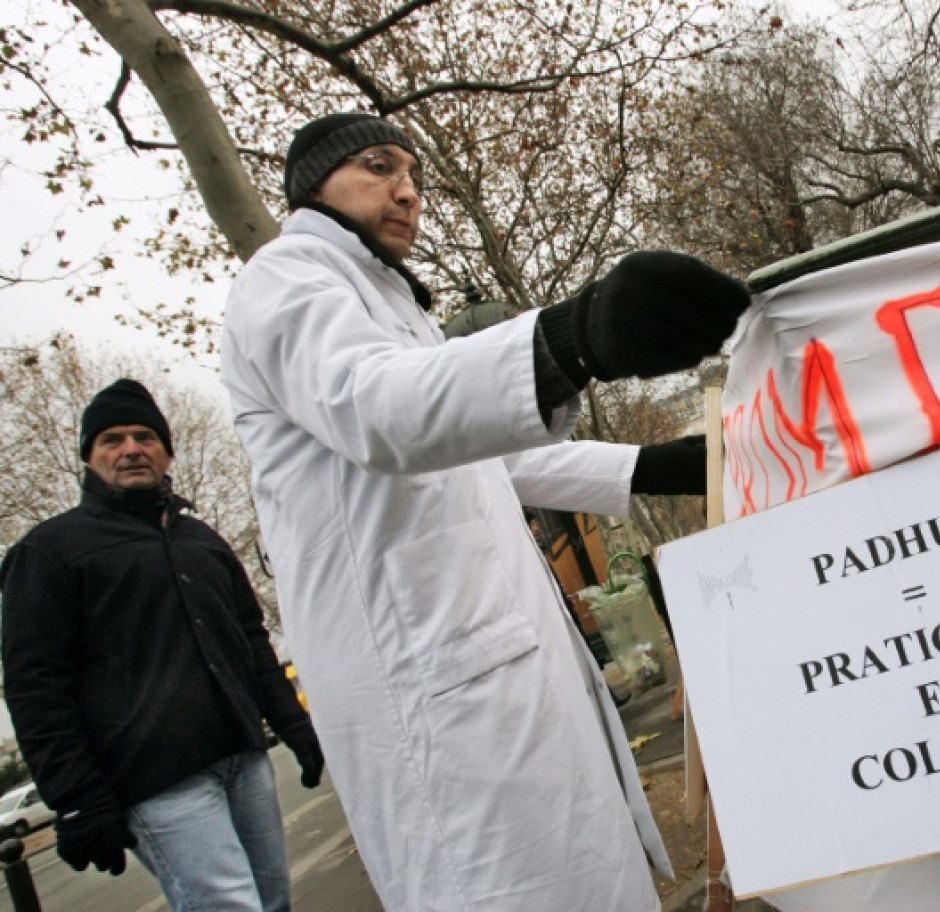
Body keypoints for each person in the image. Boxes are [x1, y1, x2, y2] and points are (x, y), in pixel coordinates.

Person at [219, 111, 747, 911]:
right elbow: (376, 407)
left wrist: (658, 466)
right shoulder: (284, 280)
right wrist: (574, 339)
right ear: (312, 186)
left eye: (415, 176)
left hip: (499, 672)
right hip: (436, 697)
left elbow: (494, 454)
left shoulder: (394, 306)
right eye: (378, 165)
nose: (406, 191)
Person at [0, 379, 324, 912]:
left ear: (166, 450)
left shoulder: (201, 541)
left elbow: (251, 641)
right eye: (112, 439)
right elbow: (37, 689)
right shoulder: (48, 553)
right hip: (157, 782)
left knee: (273, 902)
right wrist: (76, 799)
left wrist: (293, 725)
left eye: (145, 436)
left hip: (243, 760)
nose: (131, 448)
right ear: (89, 456)